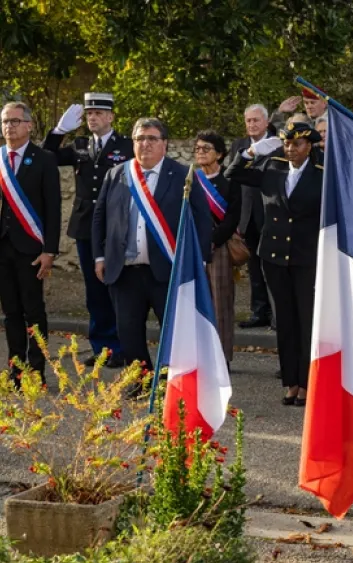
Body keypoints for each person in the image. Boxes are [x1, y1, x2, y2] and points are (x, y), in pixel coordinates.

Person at [92, 117, 211, 371]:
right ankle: (141, 381)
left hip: (166, 270)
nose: (145, 144)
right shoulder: (117, 174)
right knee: (128, 332)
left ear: (164, 144)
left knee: (174, 332)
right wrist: (99, 257)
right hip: (124, 272)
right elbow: (99, 218)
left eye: (152, 139)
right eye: (139, 139)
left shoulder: (183, 175)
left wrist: (198, 263)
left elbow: (202, 221)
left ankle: (172, 385)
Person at [225, 121, 323, 406]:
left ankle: (306, 382)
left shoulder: (321, 174)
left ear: (310, 146)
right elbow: (233, 173)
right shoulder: (273, 167)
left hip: (306, 256)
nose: (291, 149)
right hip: (274, 255)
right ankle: (290, 382)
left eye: (298, 144)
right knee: (285, 320)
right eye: (287, 144)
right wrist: (251, 152)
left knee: (305, 319)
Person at [42, 92, 131, 367]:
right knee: (94, 290)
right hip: (85, 228)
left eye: (98, 113)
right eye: (89, 114)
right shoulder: (80, 145)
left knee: (119, 286)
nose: (93, 118)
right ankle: (103, 347)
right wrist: (58, 131)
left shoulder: (126, 145)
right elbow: (47, 156)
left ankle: (125, 346)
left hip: (115, 226)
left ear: (111, 117)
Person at [0, 101, 61, 381]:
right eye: (5, 122)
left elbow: (53, 208)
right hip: (3, 247)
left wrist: (50, 250)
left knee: (33, 311)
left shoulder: (44, 159)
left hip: (31, 249)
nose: (8, 127)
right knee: (10, 312)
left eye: (14, 121)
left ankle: (36, 371)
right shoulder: (0, 158)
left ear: (28, 125)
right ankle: (17, 370)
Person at [193, 130, 241, 369]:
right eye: (198, 148)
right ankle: (200, 354)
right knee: (196, 302)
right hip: (193, 247)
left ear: (220, 154)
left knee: (221, 303)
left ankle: (222, 357)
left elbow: (232, 217)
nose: (200, 152)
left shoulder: (229, 182)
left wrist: (212, 240)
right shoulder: (190, 179)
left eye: (206, 148)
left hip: (218, 247)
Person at [229, 104, 275, 329]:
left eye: (256, 120)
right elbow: (232, 180)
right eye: (248, 120)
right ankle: (259, 312)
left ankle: (276, 314)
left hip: (270, 214)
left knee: (272, 268)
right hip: (247, 216)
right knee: (254, 268)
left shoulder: (276, 144)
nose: (252, 124)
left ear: (266, 122)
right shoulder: (239, 146)